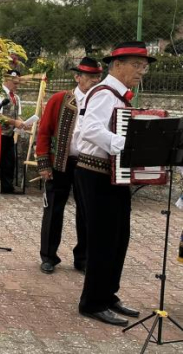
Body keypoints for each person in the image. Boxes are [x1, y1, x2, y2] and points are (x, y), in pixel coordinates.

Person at [76, 41, 154, 327]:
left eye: (143, 67)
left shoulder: (121, 97)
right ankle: (92, 302)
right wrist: (127, 145)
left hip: (113, 174)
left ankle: (108, 294)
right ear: (117, 65)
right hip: (95, 172)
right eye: (136, 65)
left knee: (119, 237)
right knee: (102, 239)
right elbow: (90, 129)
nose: (141, 71)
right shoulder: (104, 93)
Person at [36, 58, 102, 275]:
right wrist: (44, 163)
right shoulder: (60, 99)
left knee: (87, 211)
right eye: (89, 77)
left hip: (88, 164)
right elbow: (44, 132)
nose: (93, 81)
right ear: (77, 77)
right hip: (59, 163)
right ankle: (48, 256)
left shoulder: (100, 102)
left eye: (96, 77)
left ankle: (82, 258)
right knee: (53, 210)